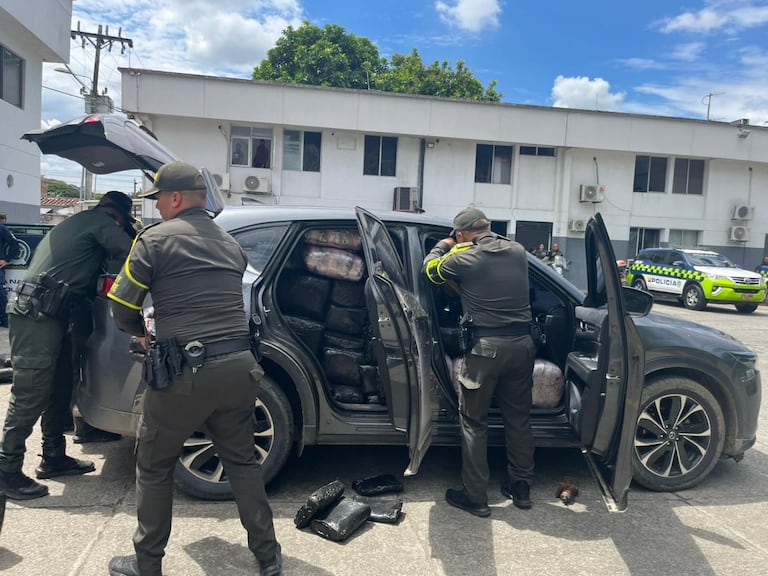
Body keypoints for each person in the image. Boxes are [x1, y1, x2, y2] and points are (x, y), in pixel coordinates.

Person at [106, 161, 282, 576]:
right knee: (243, 463)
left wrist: (143, 334)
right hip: (240, 369)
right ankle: (268, 556)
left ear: (175, 198)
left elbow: (122, 306)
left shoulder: (154, 240)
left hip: (185, 373)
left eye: (158, 200)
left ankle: (147, 564)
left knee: (154, 466)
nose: (156, 207)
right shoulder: (231, 245)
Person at [0, 192, 136, 500]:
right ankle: (6, 470)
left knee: (61, 386)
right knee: (31, 392)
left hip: (52, 314)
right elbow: (132, 253)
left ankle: (54, 456)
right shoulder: (100, 222)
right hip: (36, 315)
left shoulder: (78, 223)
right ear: (116, 215)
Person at [423, 207, 536, 517]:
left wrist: (444, 245)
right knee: (519, 420)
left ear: (461, 234)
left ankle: (475, 497)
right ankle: (521, 488)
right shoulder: (518, 250)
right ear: (488, 226)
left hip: (486, 351)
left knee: (474, 422)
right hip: (523, 347)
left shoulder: (463, 258)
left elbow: (430, 270)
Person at [0, 212, 21, 328]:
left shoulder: (1, 229)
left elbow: (15, 245)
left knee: (0, 294)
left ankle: (4, 320)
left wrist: (6, 259)